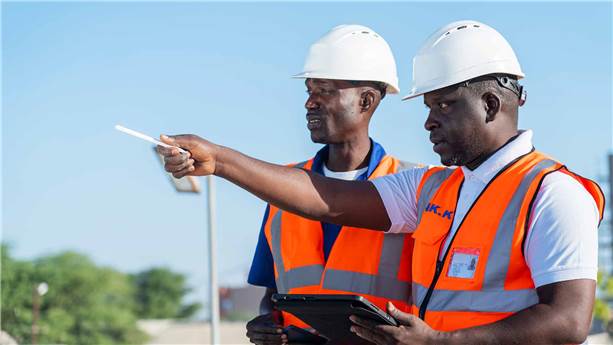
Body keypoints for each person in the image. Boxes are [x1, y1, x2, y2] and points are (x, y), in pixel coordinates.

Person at [157, 20, 604, 344]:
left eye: (443, 106)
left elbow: (567, 322)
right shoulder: (433, 187)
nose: (428, 122)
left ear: (490, 104)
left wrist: (440, 344)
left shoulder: (554, 193)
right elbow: (328, 199)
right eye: (428, 106)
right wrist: (219, 160)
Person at [244, 24, 418, 345]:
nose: (310, 102)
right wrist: (267, 324)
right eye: (309, 90)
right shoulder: (282, 189)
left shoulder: (415, 189)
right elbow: (273, 293)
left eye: (324, 90)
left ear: (366, 100)